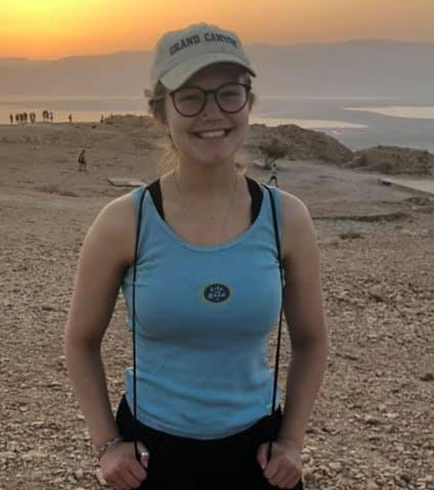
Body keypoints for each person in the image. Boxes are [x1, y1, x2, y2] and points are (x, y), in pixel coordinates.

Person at [64, 23, 326, 490]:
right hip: (151, 458)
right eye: (190, 96)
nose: (212, 113)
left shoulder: (288, 218)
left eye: (229, 94)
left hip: (260, 457)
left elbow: (310, 342)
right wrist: (107, 444)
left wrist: (291, 442)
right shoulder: (124, 221)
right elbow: (81, 342)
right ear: (160, 111)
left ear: (249, 103)